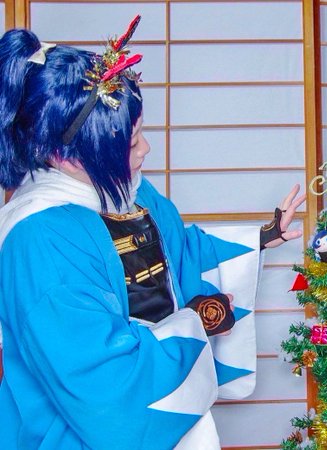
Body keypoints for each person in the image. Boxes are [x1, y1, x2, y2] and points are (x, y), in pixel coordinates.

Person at [0, 17, 305, 450]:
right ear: (66, 155)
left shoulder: (131, 192)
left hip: (172, 417)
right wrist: (195, 323)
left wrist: (262, 237)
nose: (145, 149)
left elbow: (177, 253)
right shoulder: (39, 240)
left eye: (140, 133)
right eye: (129, 143)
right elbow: (106, 388)